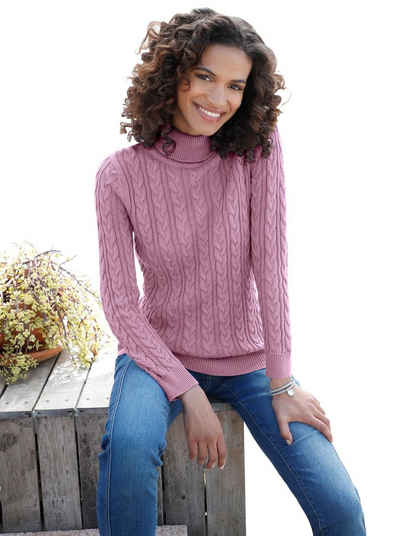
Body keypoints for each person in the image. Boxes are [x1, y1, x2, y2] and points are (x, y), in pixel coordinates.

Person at [94, 7, 366, 535]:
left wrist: (282, 381)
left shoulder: (257, 149)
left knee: (340, 507)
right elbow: (122, 307)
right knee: (127, 449)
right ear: (173, 73)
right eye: (205, 77)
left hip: (250, 361)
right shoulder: (118, 175)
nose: (219, 99)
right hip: (159, 355)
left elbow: (272, 265)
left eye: (235, 86)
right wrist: (187, 390)